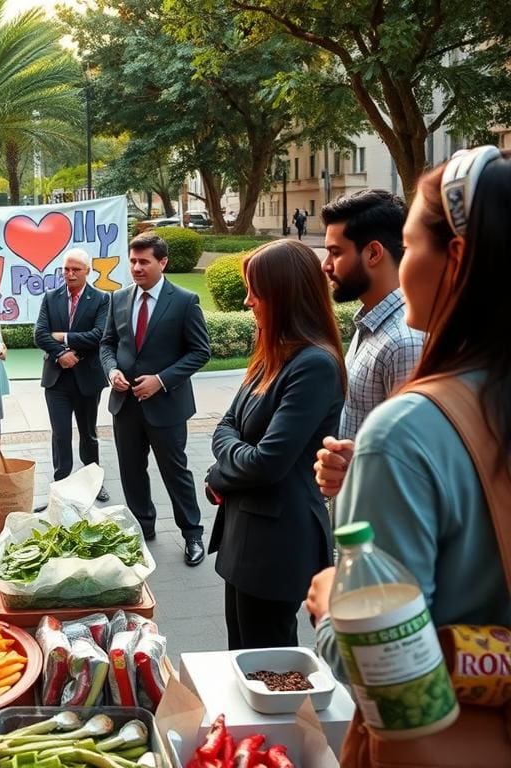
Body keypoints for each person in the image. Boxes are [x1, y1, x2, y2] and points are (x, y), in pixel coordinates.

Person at [305, 146, 511, 765]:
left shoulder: (409, 429)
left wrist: (328, 606)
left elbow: (380, 670)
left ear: (456, 259)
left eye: (411, 242)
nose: (402, 261)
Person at [206, 240, 346, 650]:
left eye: (256, 291)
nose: (248, 301)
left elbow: (269, 461)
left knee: (266, 665)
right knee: (243, 655)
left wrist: (220, 471)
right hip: (247, 534)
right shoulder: (273, 352)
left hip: (278, 543)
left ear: (285, 294)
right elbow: (224, 425)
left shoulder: (314, 364)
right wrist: (234, 454)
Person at [99, 232, 211, 566]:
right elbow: (107, 344)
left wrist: (161, 381)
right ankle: (142, 529)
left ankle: (192, 534)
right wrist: (112, 372)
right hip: (125, 406)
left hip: (167, 406)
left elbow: (200, 351)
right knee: (131, 472)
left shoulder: (184, 301)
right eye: (132, 261)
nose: (136, 267)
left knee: (175, 472)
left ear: (163, 262)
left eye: (143, 261)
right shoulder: (118, 298)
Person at [314, 190, 423, 498]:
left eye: (335, 252)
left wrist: (354, 470)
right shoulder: (372, 325)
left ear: (374, 253)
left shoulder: (404, 341)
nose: (326, 265)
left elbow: (413, 465)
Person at [34, 248, 111, 502]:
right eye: (66, 269)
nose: (69, 274)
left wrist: (64, 338)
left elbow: (98, 335)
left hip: (87, 378)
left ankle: (93, 482)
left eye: (75, 269)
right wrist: (61, 354)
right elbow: (40, 334)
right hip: (57, 379)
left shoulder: (101, 299)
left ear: (87, 271)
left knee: (88, 433)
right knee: (60, 434)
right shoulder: (50, 297)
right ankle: (62, 484)